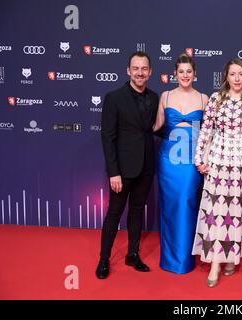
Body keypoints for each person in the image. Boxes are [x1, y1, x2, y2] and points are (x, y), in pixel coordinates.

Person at [192, 58, 242, 287]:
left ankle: (231, 257)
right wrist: (199, 159)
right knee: (217, 212)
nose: (236, 79)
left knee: (237, 212)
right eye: (232, 74)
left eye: (241, 74)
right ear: (226, 76)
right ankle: (215, 262)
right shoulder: (215, 99)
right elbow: (206, 130)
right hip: (217, 163)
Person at [95, 51, 159, 279]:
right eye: (136, 68)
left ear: (150, 72)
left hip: (146, 167)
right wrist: (114, 172)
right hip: (122, 170)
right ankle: (104, 259)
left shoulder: (154, 97)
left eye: (144, 69)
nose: (140, 73)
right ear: (128, 71)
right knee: (114, 213)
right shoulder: (114, 98)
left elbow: (156, 128)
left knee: (136, 212)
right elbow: (107, 137)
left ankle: (133, 254)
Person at [153, 54, 208, 274]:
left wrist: (205, 157)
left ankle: (185, 259)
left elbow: (209, 133)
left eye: (189, 71)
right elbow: (156, 125)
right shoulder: (165, 96)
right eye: (181, 71)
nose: (185, 75)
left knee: (186, 202)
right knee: (169, 205)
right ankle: (169, 259)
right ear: (175, 73)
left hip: (191, 159)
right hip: (168, 159)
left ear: (195, 74)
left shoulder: (204, 98)